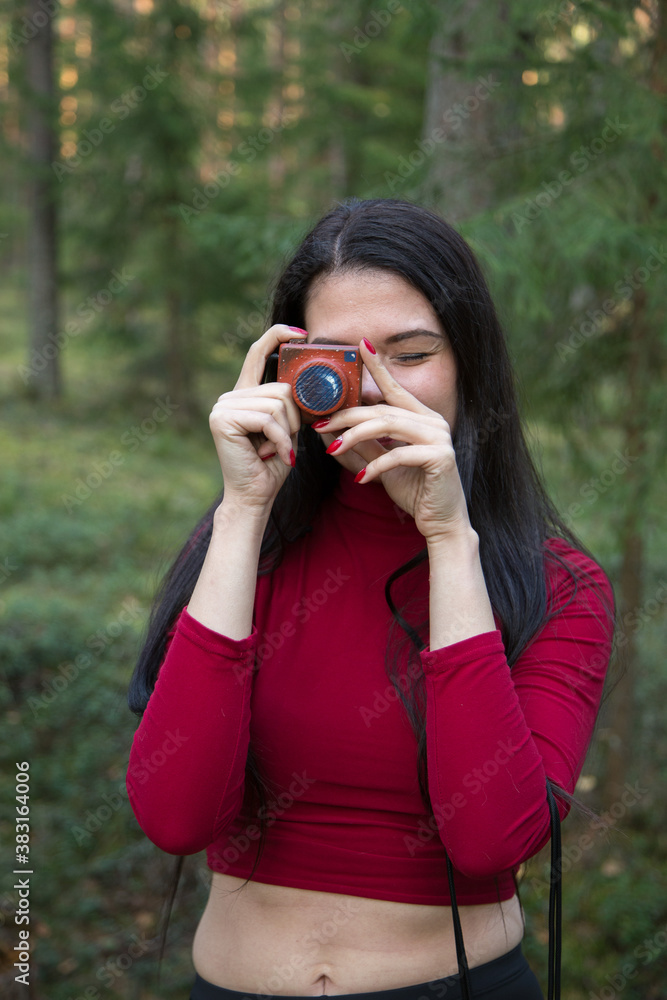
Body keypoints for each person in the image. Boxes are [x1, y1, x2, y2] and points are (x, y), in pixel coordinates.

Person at [126, 198, 615, 1000]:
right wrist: (242, 512)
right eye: (336, 358)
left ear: (471, 363)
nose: (374, 385)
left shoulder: (556, 586)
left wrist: (450, 541)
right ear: (285, 369)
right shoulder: (240, 550)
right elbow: (175, 819)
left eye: (412, 353)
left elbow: (491, 839)